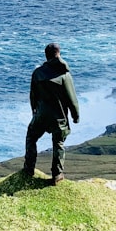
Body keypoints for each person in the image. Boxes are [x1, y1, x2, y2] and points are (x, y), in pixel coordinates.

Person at [23, 42, 79, 184]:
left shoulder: (37, 73)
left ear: (46, 56)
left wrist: (34, 112)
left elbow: (33, 96)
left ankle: (29, 169)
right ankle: (57, 175)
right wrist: (75, 116)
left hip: (41, 115)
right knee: (58, 143)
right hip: (58, 117)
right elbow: (71, 99)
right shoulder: (65, 75)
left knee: (31, 137)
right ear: (59, 54)